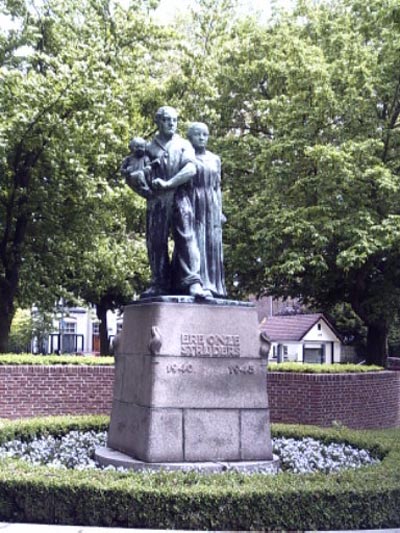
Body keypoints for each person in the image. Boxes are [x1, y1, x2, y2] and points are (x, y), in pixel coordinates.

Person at [142, 106, 209, 298]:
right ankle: (159, 282)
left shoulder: (184, 144)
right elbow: (138, 171)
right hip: (156, 200)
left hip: (180, 196)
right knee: (156, 242)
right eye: (167, 120)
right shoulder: (148, 147)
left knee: (187, 238)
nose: (171, 124)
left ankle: (193, 282)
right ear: (158, 122)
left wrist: (169, 183)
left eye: (174, 120)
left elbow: (191, 169)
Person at [187, 122, 226, 298]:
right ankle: (199, 282)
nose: (202, 138)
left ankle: (215, 285)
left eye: (205, 134)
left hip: (212, 204)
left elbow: (218, 186)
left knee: (212, 243)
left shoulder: (215, 159)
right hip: (194, 202)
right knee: (197, 242)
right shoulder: (187, 157)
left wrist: (220, 210)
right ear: (190, 137)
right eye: (198, 134)